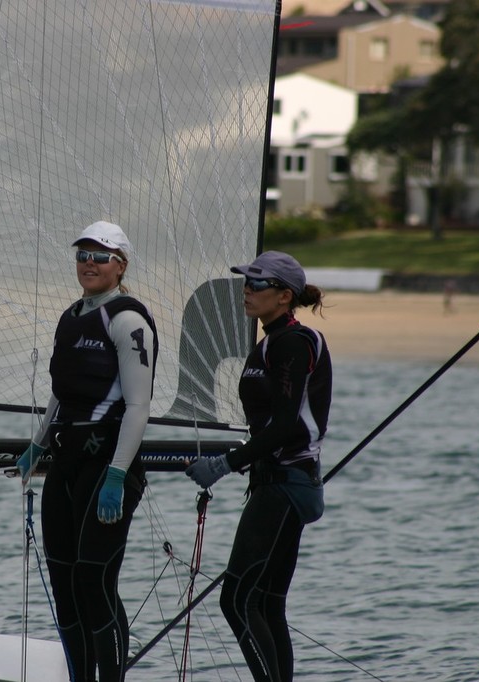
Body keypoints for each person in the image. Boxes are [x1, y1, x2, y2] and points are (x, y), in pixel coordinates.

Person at [16, 220, 157, 682]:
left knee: (93, 582)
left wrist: (118, 474)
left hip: (108, 466)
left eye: (100, 256)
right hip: (67, 462)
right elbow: (60, 394)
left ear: (120, 266)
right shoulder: (71, 315)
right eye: (82, 254)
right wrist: (36, 445)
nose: (89, 263)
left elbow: (138, 406)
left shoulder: (128, 320)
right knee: (64, 583)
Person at [185, 250, 330, 682]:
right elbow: (272, 423)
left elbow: (286, 426)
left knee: (236, 601)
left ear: (284, 296)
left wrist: (225, 464)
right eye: (246, 283)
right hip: (281, 483)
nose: (247, 291)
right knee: (266, 603)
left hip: (286, 486)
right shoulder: (271, 341)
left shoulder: (291, 343)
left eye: (257, 284)